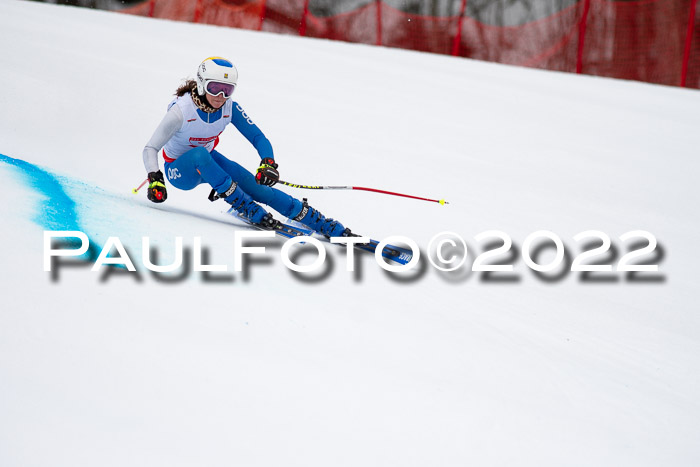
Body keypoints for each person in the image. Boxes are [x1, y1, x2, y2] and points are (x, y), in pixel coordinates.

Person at [142, 56, 350, 237]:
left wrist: (268, 163)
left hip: (209, 163)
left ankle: (319, 222)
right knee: (199, 155)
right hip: (180, 171)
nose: (221, 96)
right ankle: (246, 206)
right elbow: (150, 148)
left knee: (262, 190)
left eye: (227, 90)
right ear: (202, 84)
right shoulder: (181, 111)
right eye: (215, 88)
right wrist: (155, 179)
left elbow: (258, 137)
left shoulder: (229, 108)